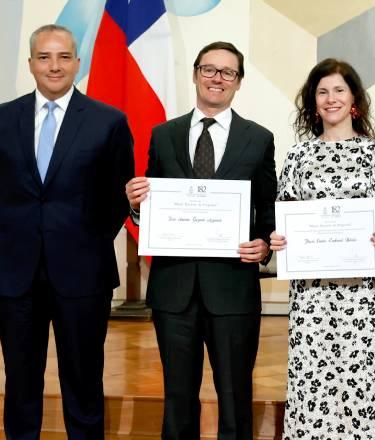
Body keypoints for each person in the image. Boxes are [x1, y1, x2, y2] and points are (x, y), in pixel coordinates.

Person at [0, 24, 134, 439]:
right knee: (21, 381)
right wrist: (25, 231)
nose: (54, 65)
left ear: (78, 63)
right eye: (44, 57)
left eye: (64, 56)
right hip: (15, 271)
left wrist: (82, 239)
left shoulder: (108, 122)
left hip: (83, 273)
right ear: (30, 64)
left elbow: (118, 197)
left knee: (83, 382)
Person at [125, 41, 276, 440]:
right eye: (209, 69)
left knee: (234, 396)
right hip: (174, 289)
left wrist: (263, 244)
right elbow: (152, 204)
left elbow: (268, 205)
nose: (217, 79)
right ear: (195, 74)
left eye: (228, 72)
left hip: (232, 288)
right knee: (177, 397)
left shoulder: (258, 138)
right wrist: (138, 206)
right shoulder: (164, 135)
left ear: (239, 83)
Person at [269, 58, 375, 439]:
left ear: (354, 98)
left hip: (362, 292)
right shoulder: (298, 156)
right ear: (313, 102)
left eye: (339, 90)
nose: (331, 98)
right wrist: (281, 238)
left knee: (362, 378)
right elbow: (287, 214)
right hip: (312, 293)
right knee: (312, 380)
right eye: (322, 91)